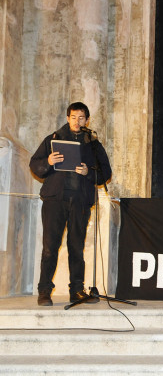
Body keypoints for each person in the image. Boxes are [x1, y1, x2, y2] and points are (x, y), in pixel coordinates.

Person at [30, 102, 112, 306]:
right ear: (68, 118)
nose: (77, 121)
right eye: (74, 117)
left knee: (76, 247)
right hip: (55, 201)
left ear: (87, 120)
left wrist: (89, 173)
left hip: (80, 202)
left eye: (81, 117)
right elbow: (35, 164)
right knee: (50, 247)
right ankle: (44, 291)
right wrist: (48, 162)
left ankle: (77, 290)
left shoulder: (93, 144)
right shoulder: (53, 139)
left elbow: (106, 173)